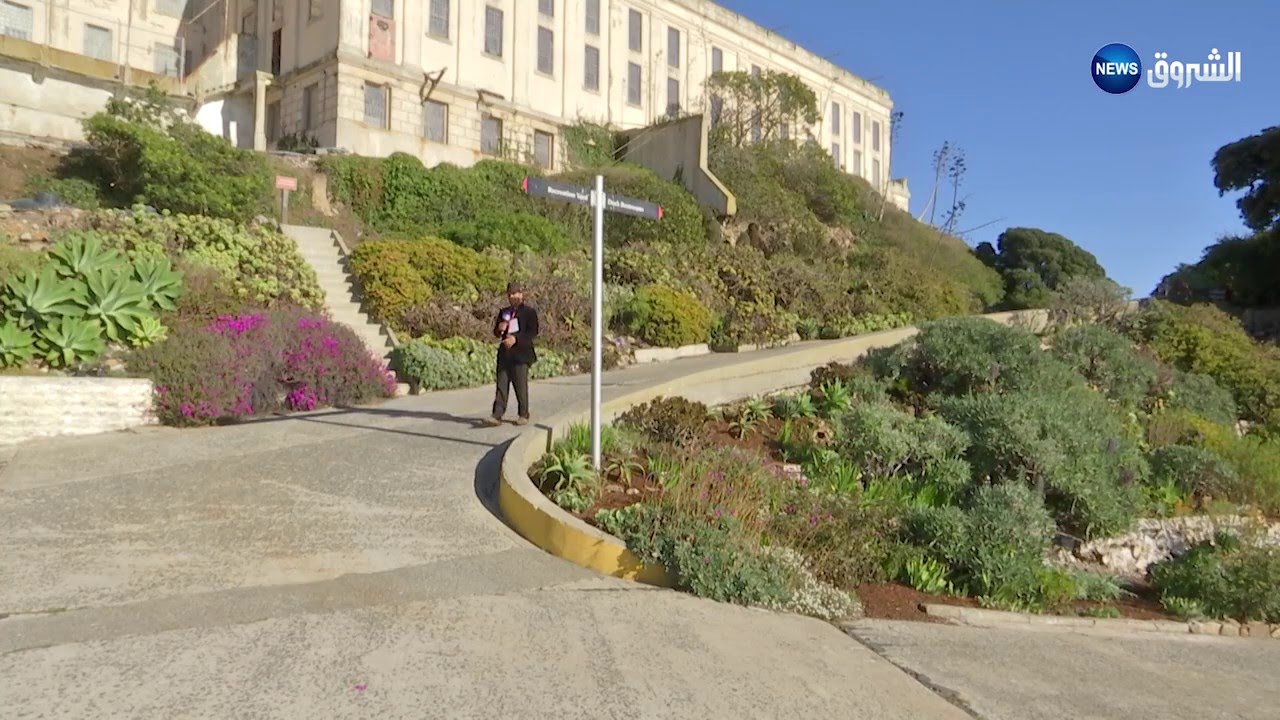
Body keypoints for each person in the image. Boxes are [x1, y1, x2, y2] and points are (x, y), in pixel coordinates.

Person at [486, 281, 539, 426]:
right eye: (510, 294)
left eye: (515, 294)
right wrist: (499, 328)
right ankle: (497, 414)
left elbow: (532, 332)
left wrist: (516, 339)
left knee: (520, 385)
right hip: (505, 353)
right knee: (501, 385)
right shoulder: (504, 312)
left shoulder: (529, 312)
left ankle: (523, 414)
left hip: (521, 354)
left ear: (521, 294)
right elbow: (496, 332)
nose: (512, 297)